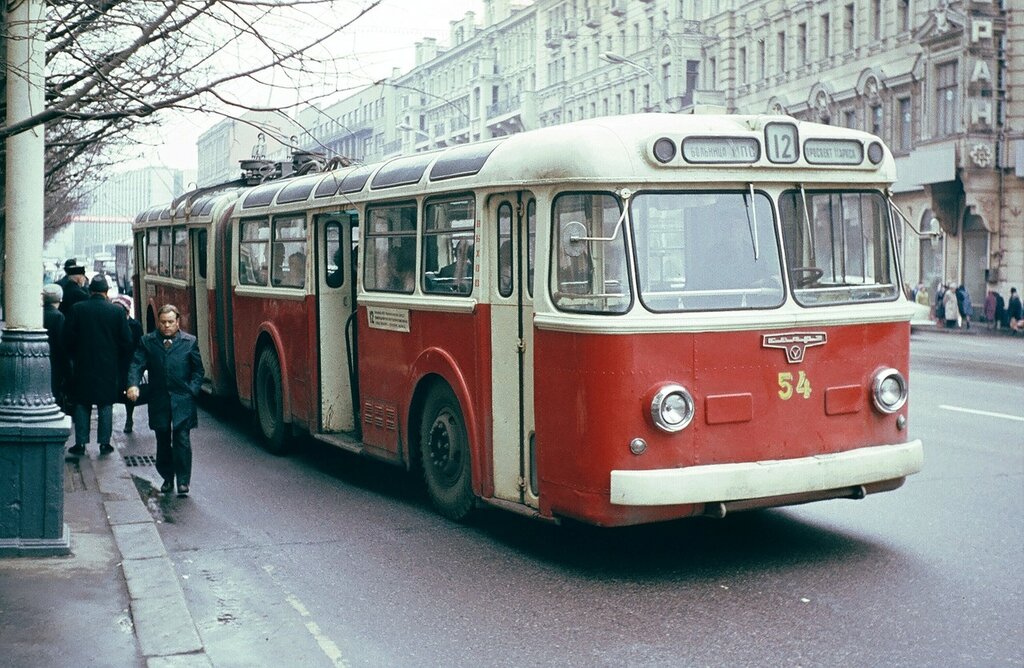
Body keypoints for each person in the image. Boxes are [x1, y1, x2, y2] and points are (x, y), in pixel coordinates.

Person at [127, 304, 204, 496]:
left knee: (182, 439)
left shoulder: (189, 342)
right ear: (158, 323)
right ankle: (167, 477)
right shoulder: (148, 342)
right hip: (159, 399)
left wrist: (192, 390)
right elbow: (137, 364)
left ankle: (184, 481)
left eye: (171, 322)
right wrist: (133, 385)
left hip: (182, 400)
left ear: (178, 322)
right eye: (163, 322)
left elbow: (198, 370)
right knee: (162, 439)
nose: (167, 326)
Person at [63, 274, 133, 456]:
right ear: (106, 291)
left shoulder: (77, 309)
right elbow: (126, 341)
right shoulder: (116, 312)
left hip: (82, 364)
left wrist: (74, 356)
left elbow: (68, 339)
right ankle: (104, 443)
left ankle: (80, 443)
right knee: (105, 404)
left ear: (90, 290)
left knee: (81, 403)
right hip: (108, 366)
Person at [112, 296, 143, 433]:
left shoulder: (135, 325)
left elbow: (139, 346)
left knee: (129, 393)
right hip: (113, 363)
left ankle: (129, 419)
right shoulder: (110, 324)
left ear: (127, 312)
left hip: (128, 364)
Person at [42, 283, 70, 410]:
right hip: (55, 362)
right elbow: (62, 344)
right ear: (60, 299)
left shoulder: (39, 314)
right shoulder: (58, 316)